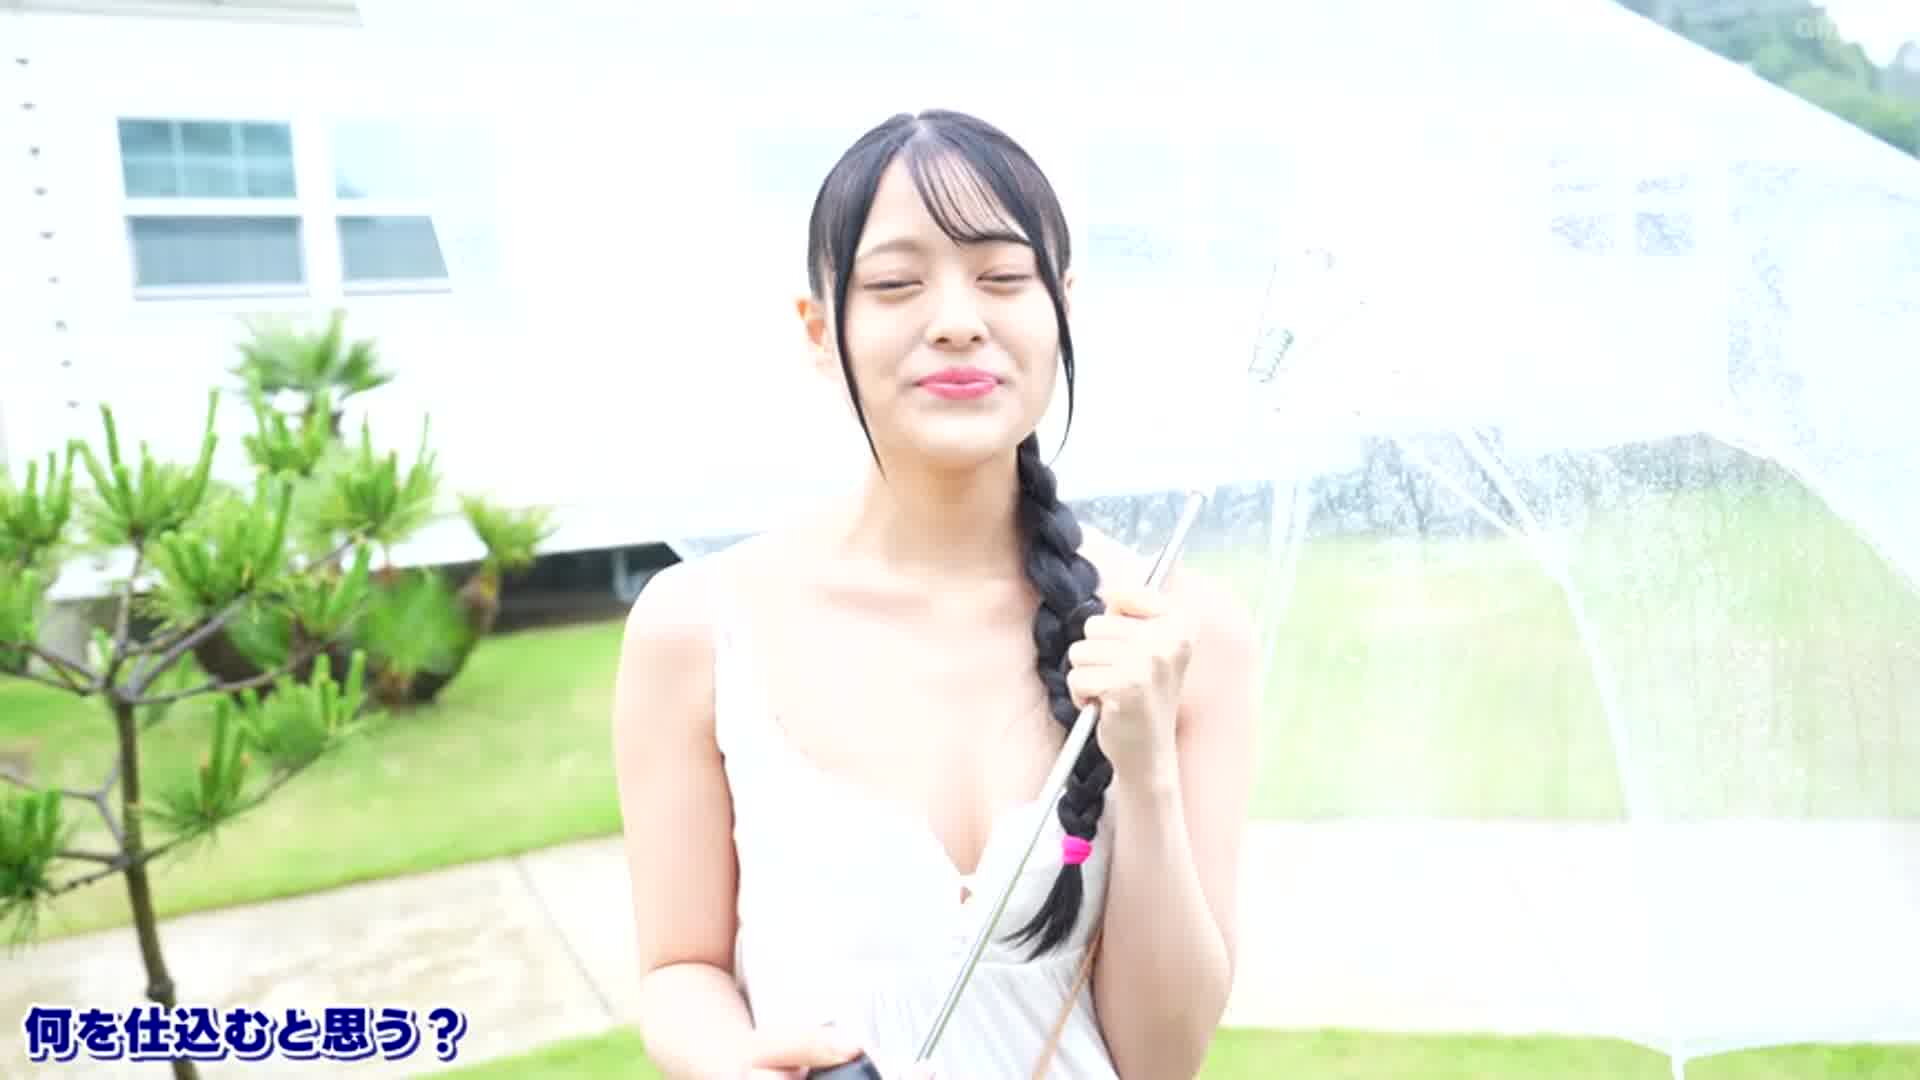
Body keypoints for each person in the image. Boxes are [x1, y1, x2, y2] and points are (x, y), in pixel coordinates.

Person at [610, 108, 1259, 1079]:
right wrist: (728, 1061)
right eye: (895, 284)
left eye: (1002, 277)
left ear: (1062, 307)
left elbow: (1163, 1059)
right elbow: (679, 968)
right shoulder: (697, 628)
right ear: (819, 329)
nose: (957, 320)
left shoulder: (1176, 634)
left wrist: (1147, 771)